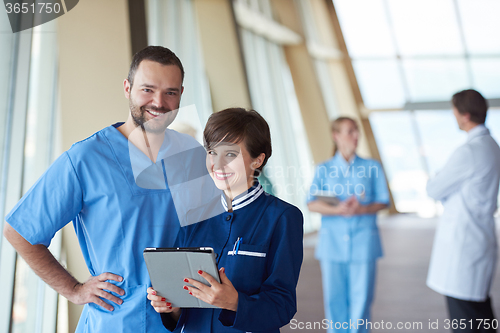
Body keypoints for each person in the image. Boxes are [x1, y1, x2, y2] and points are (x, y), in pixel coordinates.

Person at [2, 46, 211, 332]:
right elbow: (19, 231)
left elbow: (211, 233)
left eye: (170, 92)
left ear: (180, 95)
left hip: (185, 320)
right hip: (116, 321)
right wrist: (75, 290)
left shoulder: (193, 155)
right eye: (147, 89)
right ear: (127, 88)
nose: (158, 102)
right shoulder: (85, 159)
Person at [147, 108, 304, 332]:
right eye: (212, 152)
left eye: (230, 154)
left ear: (257, 160)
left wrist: (234, 302)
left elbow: (283, 305)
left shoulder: (282, 217)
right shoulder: (193, 216)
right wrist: (169, 305)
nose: (217, 165)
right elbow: (184, 300)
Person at [426, 89, 500, 333]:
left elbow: (435, 189)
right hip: (480, 238)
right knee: (480, 315)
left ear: (465, 115)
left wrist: (438, 178)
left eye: (455, 111)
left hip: (463, 247)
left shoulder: (468, 152)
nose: (454, 116)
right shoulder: (491, 146)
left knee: (465, 320)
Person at [307, 117, 389, 333]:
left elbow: (383, 200)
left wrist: (361, 208)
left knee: (362, 300)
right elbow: (311, 203)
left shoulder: (372, 167)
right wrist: (337, 210)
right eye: (350, 131)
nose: (355, 136)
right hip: (332, 245)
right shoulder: (324, 169)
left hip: (364, 243)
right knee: (334, 300)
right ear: (336, 136)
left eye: (356, 131)